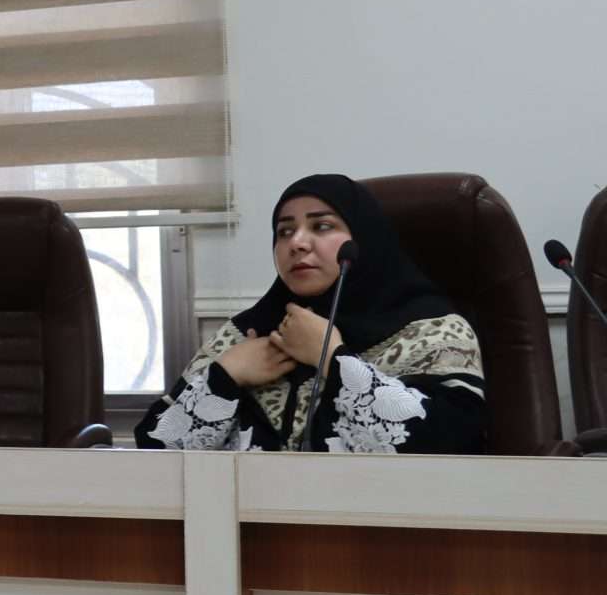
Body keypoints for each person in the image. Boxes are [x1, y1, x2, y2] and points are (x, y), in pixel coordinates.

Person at [138, 174, 486, 454]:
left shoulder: (432, 331)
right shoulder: (245, 334)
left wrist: (334, 358)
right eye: (285, 231)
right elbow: (155, 450)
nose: (297, 243)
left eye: (322, 226)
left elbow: (454, 445)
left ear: (365, 240)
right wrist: (227, 376)